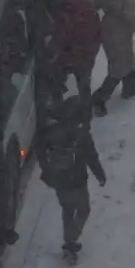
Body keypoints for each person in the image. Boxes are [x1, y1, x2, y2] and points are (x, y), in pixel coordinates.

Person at [33, 95, 107, 259]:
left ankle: (69, 239)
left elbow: (40, 151)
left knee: (67, 208)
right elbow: (91, 157)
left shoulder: (51, 130)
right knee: (83, 210)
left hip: (58, 180)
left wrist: (48, 170)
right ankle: (71, 240)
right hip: (77, 179)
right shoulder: (81, 134)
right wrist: (100, 176)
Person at [47, 0, 102, 117]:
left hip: (75, 54)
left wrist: (54, 46)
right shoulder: (85, 5)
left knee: (56, 76)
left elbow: (64, 34)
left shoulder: (69, 11)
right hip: (87, 54)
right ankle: (86, 112)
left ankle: (58, 107)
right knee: (83, 84)